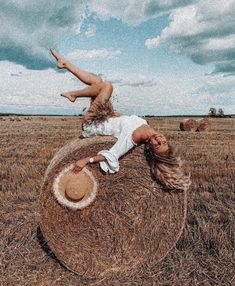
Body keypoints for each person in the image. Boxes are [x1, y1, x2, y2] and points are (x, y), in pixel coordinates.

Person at [50, 49, 191, 192]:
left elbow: (112, 155)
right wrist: (115, 115)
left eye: (158, 144)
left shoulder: (135, 138)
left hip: (92, 123)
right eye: (164, 142)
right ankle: (66, 64)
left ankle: (73, 94)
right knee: (97, 82)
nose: (160, 139)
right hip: (103, 116)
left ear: (150, 147)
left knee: (107, 86)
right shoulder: (147, 126)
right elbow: (127, 121)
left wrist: (87, 160)